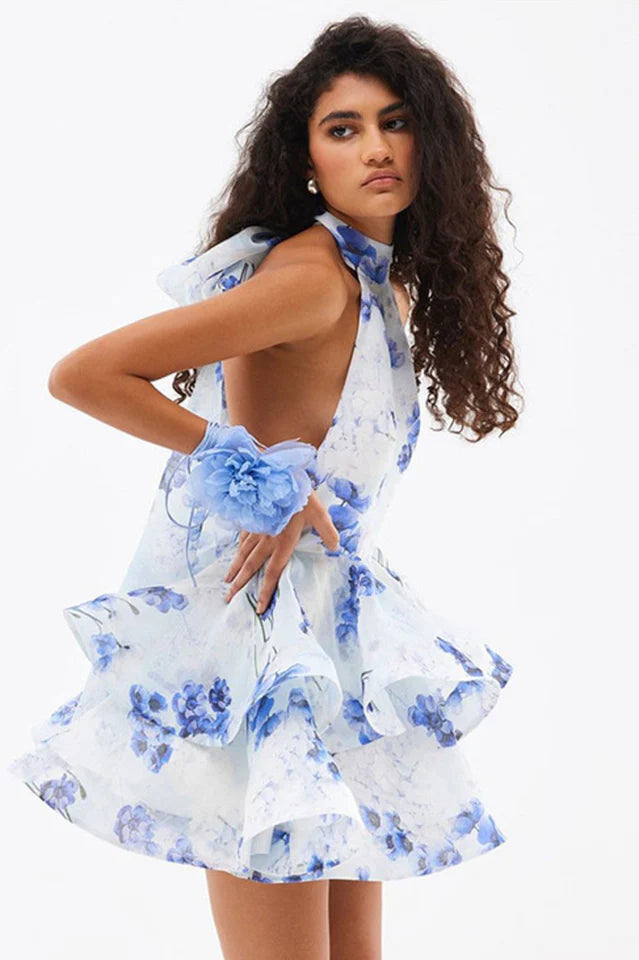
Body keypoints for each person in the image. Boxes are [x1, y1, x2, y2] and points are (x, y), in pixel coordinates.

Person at [8, 15, 522, 960]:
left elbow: (278, 412)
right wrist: (263, 482)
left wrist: (280, 481)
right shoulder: (311, 278)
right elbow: (85, 375)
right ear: (307, 159)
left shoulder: (378, 283)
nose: (375, 148)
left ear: (432, 143)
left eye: (395, 122)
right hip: (266, 640)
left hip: (334, 632)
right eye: (343, 129)